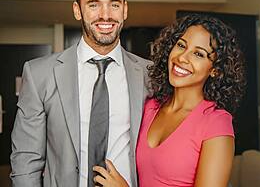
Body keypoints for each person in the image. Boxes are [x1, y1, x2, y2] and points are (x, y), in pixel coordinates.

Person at [10, 0, 151, 187]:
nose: (105, 15)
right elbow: (26, 160)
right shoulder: (39, 74)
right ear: (77, 10)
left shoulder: (149, 75)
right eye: (94, 5)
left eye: (114, 5)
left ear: (124, 9)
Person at [94, 14, 246, 187]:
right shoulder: (150, 106)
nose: (182, 58)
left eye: (198, 54)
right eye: (181, 45)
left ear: (215, 70)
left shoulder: (216, 122)